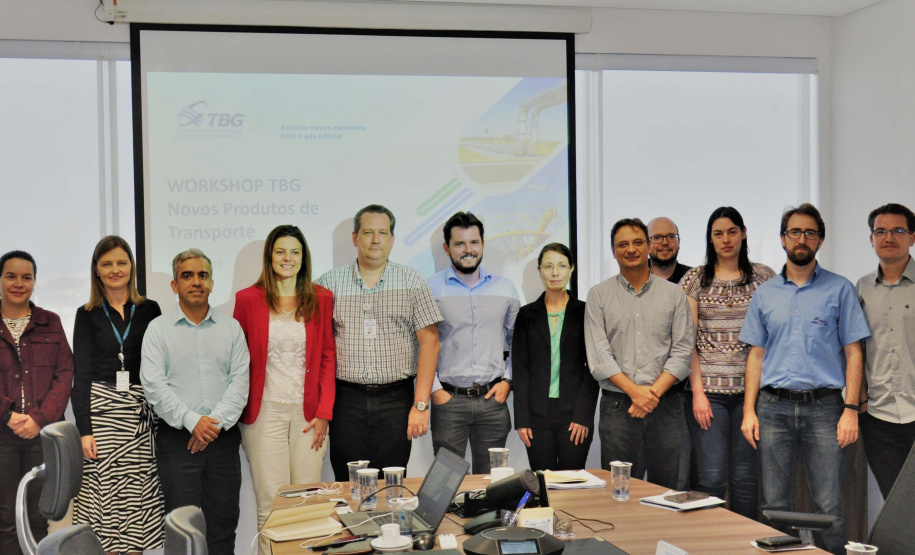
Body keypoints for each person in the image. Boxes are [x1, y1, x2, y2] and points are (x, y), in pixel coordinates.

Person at [740, 203, 870, 555]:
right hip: (772, 408)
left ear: (820, 240)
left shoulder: (840, 289)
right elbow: (756, 354)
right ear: (783, 239)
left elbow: (854, 352)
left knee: (828, 504)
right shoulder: (766, 293)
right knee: (772, 502)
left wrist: (851, 408)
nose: (802, 238)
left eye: (810, 232)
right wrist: (749, 411)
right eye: (795, 232)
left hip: (825, 409)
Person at [316, 205, 442, 480]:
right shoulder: (329, 283)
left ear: (392, 239)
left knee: (392, 483)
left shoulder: (413, 281)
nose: (375, 240)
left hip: (396, 401)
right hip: (346, 401)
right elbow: (318, 348)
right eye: (368, 232)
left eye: (383, 233)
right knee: (349, 482)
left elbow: (430, 343)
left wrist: (420, 405)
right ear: (355, 238)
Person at [233, 225, 335, 554]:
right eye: (280, 251)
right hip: (264, 414)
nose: (287, 258)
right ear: (270, 256)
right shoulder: (247, 300)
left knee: (306, 503)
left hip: (309, 416)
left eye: (294, 252)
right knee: (271, 504)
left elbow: (327, 358)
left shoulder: (321, 298)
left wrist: (324, 413)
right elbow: (238, 359)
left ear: (303, 258)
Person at [141, 249, 249, 553]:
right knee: (181, 533)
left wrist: (209, 426)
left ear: (212, 283)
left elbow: (239, 383)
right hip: (177, 443)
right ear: (175, 285)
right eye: (187, 275)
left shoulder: (232, 329)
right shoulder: (157, 330)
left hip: (223, 441)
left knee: (223, 529)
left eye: (203, 275)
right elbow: (154, 386)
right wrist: (192, 422)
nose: (196, 282)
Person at [679, 207, 775, 520]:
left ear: (743, 233)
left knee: (746, 480)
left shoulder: (764, 277)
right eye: (718, 233)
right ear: (710, 238)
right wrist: (698, 394)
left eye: (732, 232)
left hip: (752, 396)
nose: (726, 239)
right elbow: (688, 341)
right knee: (711, 478)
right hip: (709, 396)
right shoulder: (695, 279)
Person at [584, 218, 694, 488]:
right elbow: (599, 356)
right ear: (613, 251)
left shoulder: (674, 294)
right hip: (619, 406)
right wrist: (636, 392)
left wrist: (651, 394)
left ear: (648, 246)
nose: (630, 249)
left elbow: (682, 351)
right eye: (623, 244)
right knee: (619, 491)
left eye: (637, 242)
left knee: (667, 490)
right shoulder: (598, 295)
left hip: (665, 405)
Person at [71, 236, 164, 553]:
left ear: (131, 267)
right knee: (108, 502)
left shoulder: (150, 309)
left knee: (137, 501)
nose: (115, 270)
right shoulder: (86, 314)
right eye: (107, 263)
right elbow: (81, 374)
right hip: (104, 415)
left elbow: (160, 368)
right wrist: (85, 431)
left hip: (141, 416)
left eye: (121, 262)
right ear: (96, 270)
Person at [426, 212, 520, 474]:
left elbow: (518, 343)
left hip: (493, 401)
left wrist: (507, 381)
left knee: (490, 483)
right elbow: (421, 345)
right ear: (447, 248)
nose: (468, 250)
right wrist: (435, 390)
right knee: (445, 482)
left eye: (474, 242)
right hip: (449, 401)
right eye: (459, 244)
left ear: (483, 243)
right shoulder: (430, 289)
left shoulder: (506, 289)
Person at [0, 250, 73, 554]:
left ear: (34, 282)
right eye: (11, 276)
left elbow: (65, 372)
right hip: (2, 437)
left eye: (26, 277)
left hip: (41, 438)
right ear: (0, 279)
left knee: (38, 519)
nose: (19, 283)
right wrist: (8, 415)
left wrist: (39, 419)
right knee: (4, 520)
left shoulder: (50, 322)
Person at [512, 243, 598, 471]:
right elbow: (520, 368)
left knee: (572, 482)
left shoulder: (586, 312)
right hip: (537, 417)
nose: (555, 272)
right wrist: (522, 419)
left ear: (571, 269)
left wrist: (583, 416)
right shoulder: (526, 315)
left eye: (561, 266)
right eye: (548, 266)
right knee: (542, 483)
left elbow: (593, 367)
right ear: (540, 271)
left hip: (574, 415)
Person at [856, 203, 915, 499]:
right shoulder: (862, 288)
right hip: (879, 416)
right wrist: (862, 398)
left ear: (912, 237)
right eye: (881, 231)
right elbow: (856, 349)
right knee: (895, 504)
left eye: (898, 230)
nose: (888, 237)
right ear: (871, 239)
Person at [648, 217, 691, 284]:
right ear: (647, 244)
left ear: (678, 242)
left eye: (671, 236)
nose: (665, 243)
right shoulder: (630, 277)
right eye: (657, 237)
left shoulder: (695, 279)